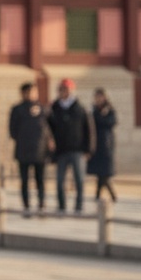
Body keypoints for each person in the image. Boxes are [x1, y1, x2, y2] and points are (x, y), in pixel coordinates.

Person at [48, 77, 94, 215]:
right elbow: (49, 129)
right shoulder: (54, 108)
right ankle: (61, 206)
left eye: (65, 89)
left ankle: (79, 206)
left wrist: (88, 150)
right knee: (60, 181)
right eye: (60, 89)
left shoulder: (80, 108)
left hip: (77, 150)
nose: (62, 91)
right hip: (61, 150)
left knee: (79, 180)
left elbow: (89, 130)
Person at [8, 81, 51, 217]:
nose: (32, 94)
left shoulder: (43, 108)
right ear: (23, 93)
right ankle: (26, 206)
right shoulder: (17, 109)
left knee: (40, 179)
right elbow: (12, 131)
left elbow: (48, 128)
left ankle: (41, 204)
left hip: (40, 151)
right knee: (25, 180)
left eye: (34, 91)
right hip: (23, 150)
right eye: (29, 91)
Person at [87, 87, 117, 203]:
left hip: (107, 145)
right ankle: (104, 196)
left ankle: (102, 196)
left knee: (104, 174)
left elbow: (111, 122)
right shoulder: (93, 111)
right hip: (96, 145)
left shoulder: (110, 110)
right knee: (101, 174)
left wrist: (99, 116)